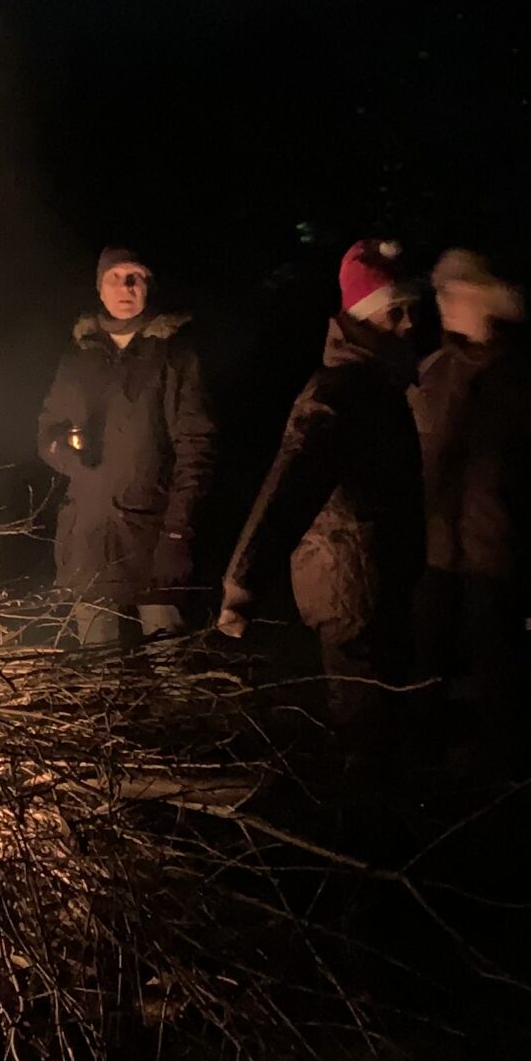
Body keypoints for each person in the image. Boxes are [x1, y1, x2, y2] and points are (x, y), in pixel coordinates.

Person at [219, 240, 426, 733]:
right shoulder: (340, 392)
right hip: (349, 587)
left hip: (374, 578)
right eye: (395, 313)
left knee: (382, 720)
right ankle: (356, 806)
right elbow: (290, 485)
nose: (409, 324)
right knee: (364, 725)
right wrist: (243, 584)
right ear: (364, 316)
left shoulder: (379, 383)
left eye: (411, 310)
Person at [410, 248, 531, 766]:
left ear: (487, 301)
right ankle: (418, 780)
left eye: (456, 292)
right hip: (437, 551)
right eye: (440, 291)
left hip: (496, 554)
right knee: (425, 671)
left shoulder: (524, 379)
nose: (443, 302)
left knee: (497, 675)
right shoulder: (434, 373)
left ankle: (502, 783)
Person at [36, 246, 217, 646]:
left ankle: (174, 710)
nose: (125, 287)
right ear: (100, 290)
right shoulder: (78, 358)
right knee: (99, 665)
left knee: (170, 659)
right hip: (88, 535)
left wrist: (176, 534)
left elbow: (196, 450)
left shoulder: (175, 356)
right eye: (114, 278)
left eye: (135, 276)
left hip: (152, 534)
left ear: (149, 286)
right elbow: (47, 430)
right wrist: (63, 450)